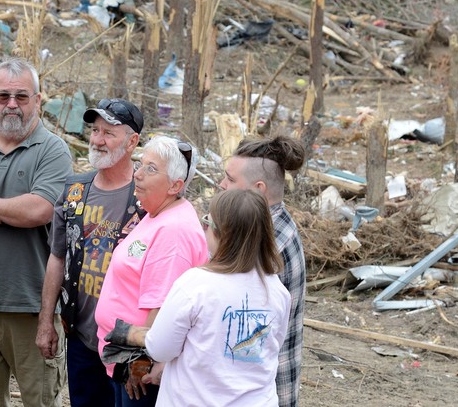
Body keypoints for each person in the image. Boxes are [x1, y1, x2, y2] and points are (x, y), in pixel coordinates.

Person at [0, 58, 72, 406]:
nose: (11, 104)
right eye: (3, 95)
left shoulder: (53, 150)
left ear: (37, 100)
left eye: (21, 97)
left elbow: (40, 210)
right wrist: (11, 212)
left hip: (33, 305)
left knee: (40, 400)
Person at [107, 189, 291, 406]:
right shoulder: (278, 291)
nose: (203, 228)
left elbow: (160, 349)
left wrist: (133, 334)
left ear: (223, 235)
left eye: (207, 223)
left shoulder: (195, 284)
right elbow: (271, 346)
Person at [36, 98, 145, 407]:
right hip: (82, 336)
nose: (97, 140)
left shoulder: (148, 194)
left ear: (132, 141)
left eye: (109, 133)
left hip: (129, 342)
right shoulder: (74, 190)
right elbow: (57, 257)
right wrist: (47, 322)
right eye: (95, 130)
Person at [95, 135, 210, 406]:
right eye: (141, 164)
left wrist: (141, 362)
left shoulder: (174, 230)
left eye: (151, 169)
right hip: (123, 359)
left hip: (140, 371)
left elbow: (162, 308)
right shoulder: (157, 214)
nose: (138, 174)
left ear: (175, 185)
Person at [219, 135, 306, 407]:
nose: (222, 185)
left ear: (258, 189)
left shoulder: (265, 245)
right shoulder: (267, 226)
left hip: (261, 390)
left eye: (231, 180)